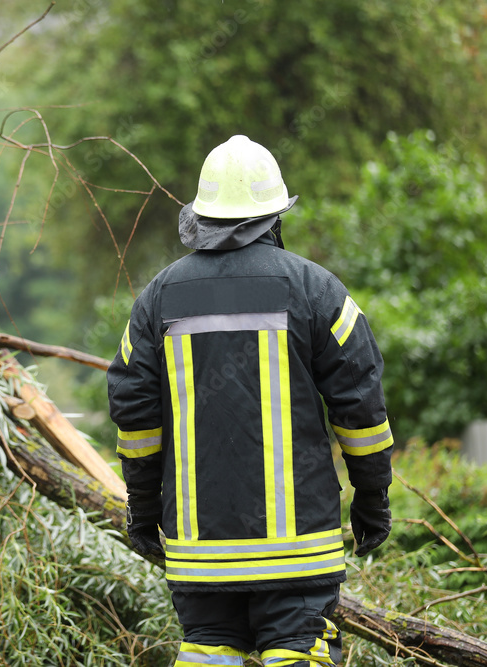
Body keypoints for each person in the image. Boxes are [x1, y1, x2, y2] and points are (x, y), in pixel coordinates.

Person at [107, 135, 393, 667]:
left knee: (207, 654)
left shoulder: (157, 299)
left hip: (201, 557)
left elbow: (136, 418)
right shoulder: (317, 290)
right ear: (275, 216)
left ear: (204, 216)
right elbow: (360, 407)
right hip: (299, 553)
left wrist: (143, 512)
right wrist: (372, 498)